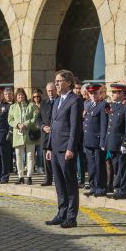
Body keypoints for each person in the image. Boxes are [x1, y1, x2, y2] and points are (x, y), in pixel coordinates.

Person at [45, 70, 83, 229]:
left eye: (59, 81)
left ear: (68, 82)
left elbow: (75, 127)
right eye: (56, 81)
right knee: (59, 183)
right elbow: (53, 126)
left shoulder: (75, 100)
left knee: (70, 184)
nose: (57, 84)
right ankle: (61, 213)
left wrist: (71, 148)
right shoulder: (57, 101)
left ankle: (71, 217)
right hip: (55, 148)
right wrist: (49, 147)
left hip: (66, 148)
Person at [104, 84, 126, 199]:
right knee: (116, 167)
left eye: (115, 92)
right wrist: (106, 143)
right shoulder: (112, 106)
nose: (113, 94)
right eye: (112, 92)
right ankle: (117, 188)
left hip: (121, 143)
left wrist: (125, 143)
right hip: (112, 143)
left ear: (122, 94)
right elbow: (110, 127)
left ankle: (123, 190)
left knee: (122, 168)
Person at [8, 88, 39, 185]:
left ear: (25, 96)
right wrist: (17, 124)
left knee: (30, 156)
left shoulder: (32, 105)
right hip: (18, 134)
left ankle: (29, 176)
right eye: (18, 95)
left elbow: (35, 117)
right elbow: (10, 120)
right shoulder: (12, 107)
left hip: (29, 133)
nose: (20, 97)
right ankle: (20, 176)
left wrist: (25, 124)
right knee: (18, 156)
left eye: (22, 95)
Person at [83, 84, 108, 197]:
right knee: (91, 166)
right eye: (91, 93)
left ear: (100, 93)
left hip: (97, 141)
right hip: (88, 140)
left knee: (99, 166)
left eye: (95, 93)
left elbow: (104, 125)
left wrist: (103, 141)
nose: (93, 95)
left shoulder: (103, 105)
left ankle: (101, 187)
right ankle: (93, 186)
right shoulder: (87, 104)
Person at [39, 82, 56, 186]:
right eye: (48, 91)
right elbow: (38, 118)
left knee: (56, 158)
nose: (50, 92)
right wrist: (42, 127)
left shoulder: (59, 101)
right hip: (45, 135)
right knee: (47, 159)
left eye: (52, 90)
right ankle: (48, 179)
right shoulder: (43, 103)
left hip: (56, 134)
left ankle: (58, 179)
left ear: (55, 90)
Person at [31, 90, 44, 175]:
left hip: (40, 131)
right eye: (34, 97)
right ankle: (31, 167)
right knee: (31, 152)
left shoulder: (43, 105)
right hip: (32, 130)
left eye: (37, 96)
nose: (36, 98)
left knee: (39, 152)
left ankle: (39, 167)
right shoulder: (31, 106)